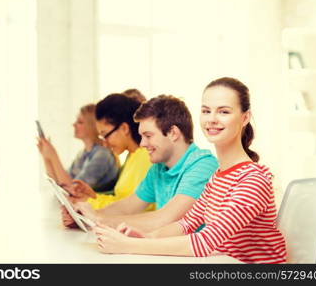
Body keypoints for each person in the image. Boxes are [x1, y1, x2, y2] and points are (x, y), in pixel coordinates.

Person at [93, 77, 287, 264]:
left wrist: (130, 245)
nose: (211, 119)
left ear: (245, 118)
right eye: (206, 111)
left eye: (224, 112)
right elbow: (186, 225)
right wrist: (146, 237)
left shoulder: (253, 179)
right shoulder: (218, 177)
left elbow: (205, 242)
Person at [74, 95, 218, 232]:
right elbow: (128, 206)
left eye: (148, 136)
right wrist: (86, 216)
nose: (142, 144)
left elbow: (165, 219)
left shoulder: (203, 166)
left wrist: (98, 219)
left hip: (203, 258)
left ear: (173, 133)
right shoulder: (159, 169)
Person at [61, 94, 152, 227]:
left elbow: (133, 210)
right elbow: (121, 202)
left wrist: (90, 205)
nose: (104, 143)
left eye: (105, 135)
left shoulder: (146, 159)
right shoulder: (132, 156)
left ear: (124, 129)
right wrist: (91, 198)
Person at [37, 104, 119, 192]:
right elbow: (58, 184)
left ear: (92, 126)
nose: (74, 125)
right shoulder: (83, 153)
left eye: (80, 122)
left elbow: (73, 190)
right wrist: (46, 157)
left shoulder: (102, 156)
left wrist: (53, 156)